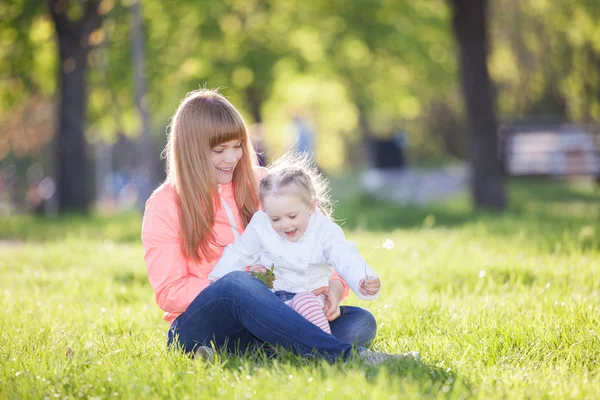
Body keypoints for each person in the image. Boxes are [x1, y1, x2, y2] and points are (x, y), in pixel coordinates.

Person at [141, 88, 418, 364]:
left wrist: (334, 286)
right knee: (236, 283)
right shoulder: (165, 204)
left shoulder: (265, 184)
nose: (232, 158)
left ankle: (258, 353)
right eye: (219, 150)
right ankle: (345, 357)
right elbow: (169, 293)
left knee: (360, 322)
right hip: (200, 326)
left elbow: (320, 239)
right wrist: (249, 281)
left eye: (238, 146)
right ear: (192, 151)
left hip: (278, 308)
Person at [209, 153, 382, 335]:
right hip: (275, 301)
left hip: (315, 301)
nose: (284, 224)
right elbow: (240, 252)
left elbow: (345, 256)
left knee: (360, 321)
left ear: (311, 206)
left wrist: (362, 278)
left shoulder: (324, 229)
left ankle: (313, 344)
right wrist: (219, 278)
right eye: (275, 218)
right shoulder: (261, 224)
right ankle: (326, 347)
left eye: (292, 216)